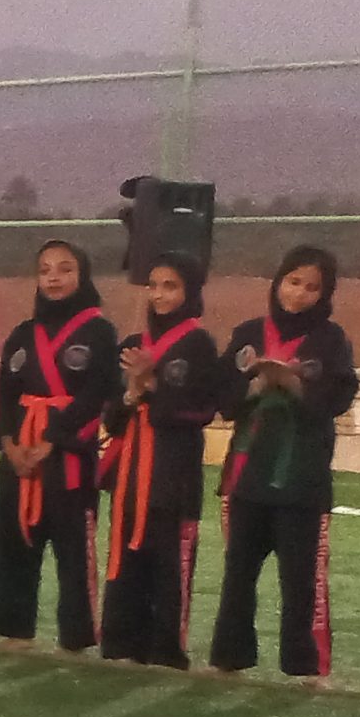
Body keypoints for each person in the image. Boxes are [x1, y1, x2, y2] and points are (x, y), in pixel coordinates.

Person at [206, 246, 357, 683]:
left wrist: (291, 382)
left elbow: (337, 400)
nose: (299, 293)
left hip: (301, 479)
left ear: (325, 294)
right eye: (293, 282)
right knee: (238, 573)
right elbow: (224, 399)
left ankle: (302, 667)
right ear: (277, 282)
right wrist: (256, 386)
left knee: (300, 580)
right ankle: (230, 658)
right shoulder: (249, 333)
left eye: (312, 287)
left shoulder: (331, 340)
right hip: (248, 475)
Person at [0, 240, 119, 650]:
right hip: (20, 453)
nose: (54, 278)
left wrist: (52, 441)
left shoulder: (100, 332)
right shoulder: (25, 333)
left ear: (83, 275)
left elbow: (98, 394)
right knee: (14, 539)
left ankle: (76, 637)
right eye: (45, 270)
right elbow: (6, 390)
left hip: (67, 455)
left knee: (73, 549)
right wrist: (9, 442)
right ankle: (13, 628)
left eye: (64, 269)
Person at [97, 253, 221, 668]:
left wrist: (153, 387)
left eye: (170, 286)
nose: (159, 295)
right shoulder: (132, 344)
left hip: (174, 470)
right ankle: (120, 640)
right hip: (130, 470)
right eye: (153, 285)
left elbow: (202, 410)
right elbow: (111, 418)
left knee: (168, 559)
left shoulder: (199, 344)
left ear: (190, 292)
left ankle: (165, 646)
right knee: (125, 552)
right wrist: (132, 392)